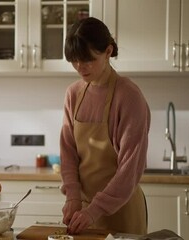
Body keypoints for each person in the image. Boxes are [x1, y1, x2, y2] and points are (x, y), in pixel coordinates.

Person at [60, 17, 150, 235]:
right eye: (74, 60)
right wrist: (73, 197)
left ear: (108, 51)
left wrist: (95, 210)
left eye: (87, 60)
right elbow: (68, 152)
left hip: (122, 211)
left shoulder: (128, 96)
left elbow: (130, 167)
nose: (79, 67)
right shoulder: (74, 94)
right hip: (82, 211)